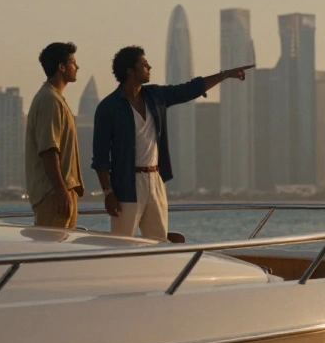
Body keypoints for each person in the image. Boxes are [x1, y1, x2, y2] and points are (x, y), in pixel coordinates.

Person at [92, 45, 251, 240]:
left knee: (159, 241)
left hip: (155, 179)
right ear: (130, 71)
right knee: (121, 243)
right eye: (144, 64)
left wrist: (225, 75)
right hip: (126, 183)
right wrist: (108, 192)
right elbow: (100, 157)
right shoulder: (108, 107)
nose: (149, 67)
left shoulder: (155, 96)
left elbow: (189, 89)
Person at [25, 42, 85, 228]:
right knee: (53, 249)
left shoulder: (56, 98)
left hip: (63, 192)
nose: (77, 67)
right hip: (53, 195)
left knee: (63, 250)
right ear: (61, 67)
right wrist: (60, 191)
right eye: (73, 63)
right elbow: (49, 150)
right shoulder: (49, 100)